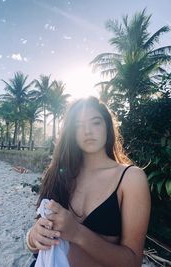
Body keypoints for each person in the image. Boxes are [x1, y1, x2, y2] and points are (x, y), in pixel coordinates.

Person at [26, 96, 151, 267]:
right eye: (78, 125)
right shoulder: (59, 174)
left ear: (107, 126)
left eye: (95, 122)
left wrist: (77, 233)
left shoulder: (130, 179)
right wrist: (33, 237)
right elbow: (35, 242)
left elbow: (133, 261)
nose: (87, 131)